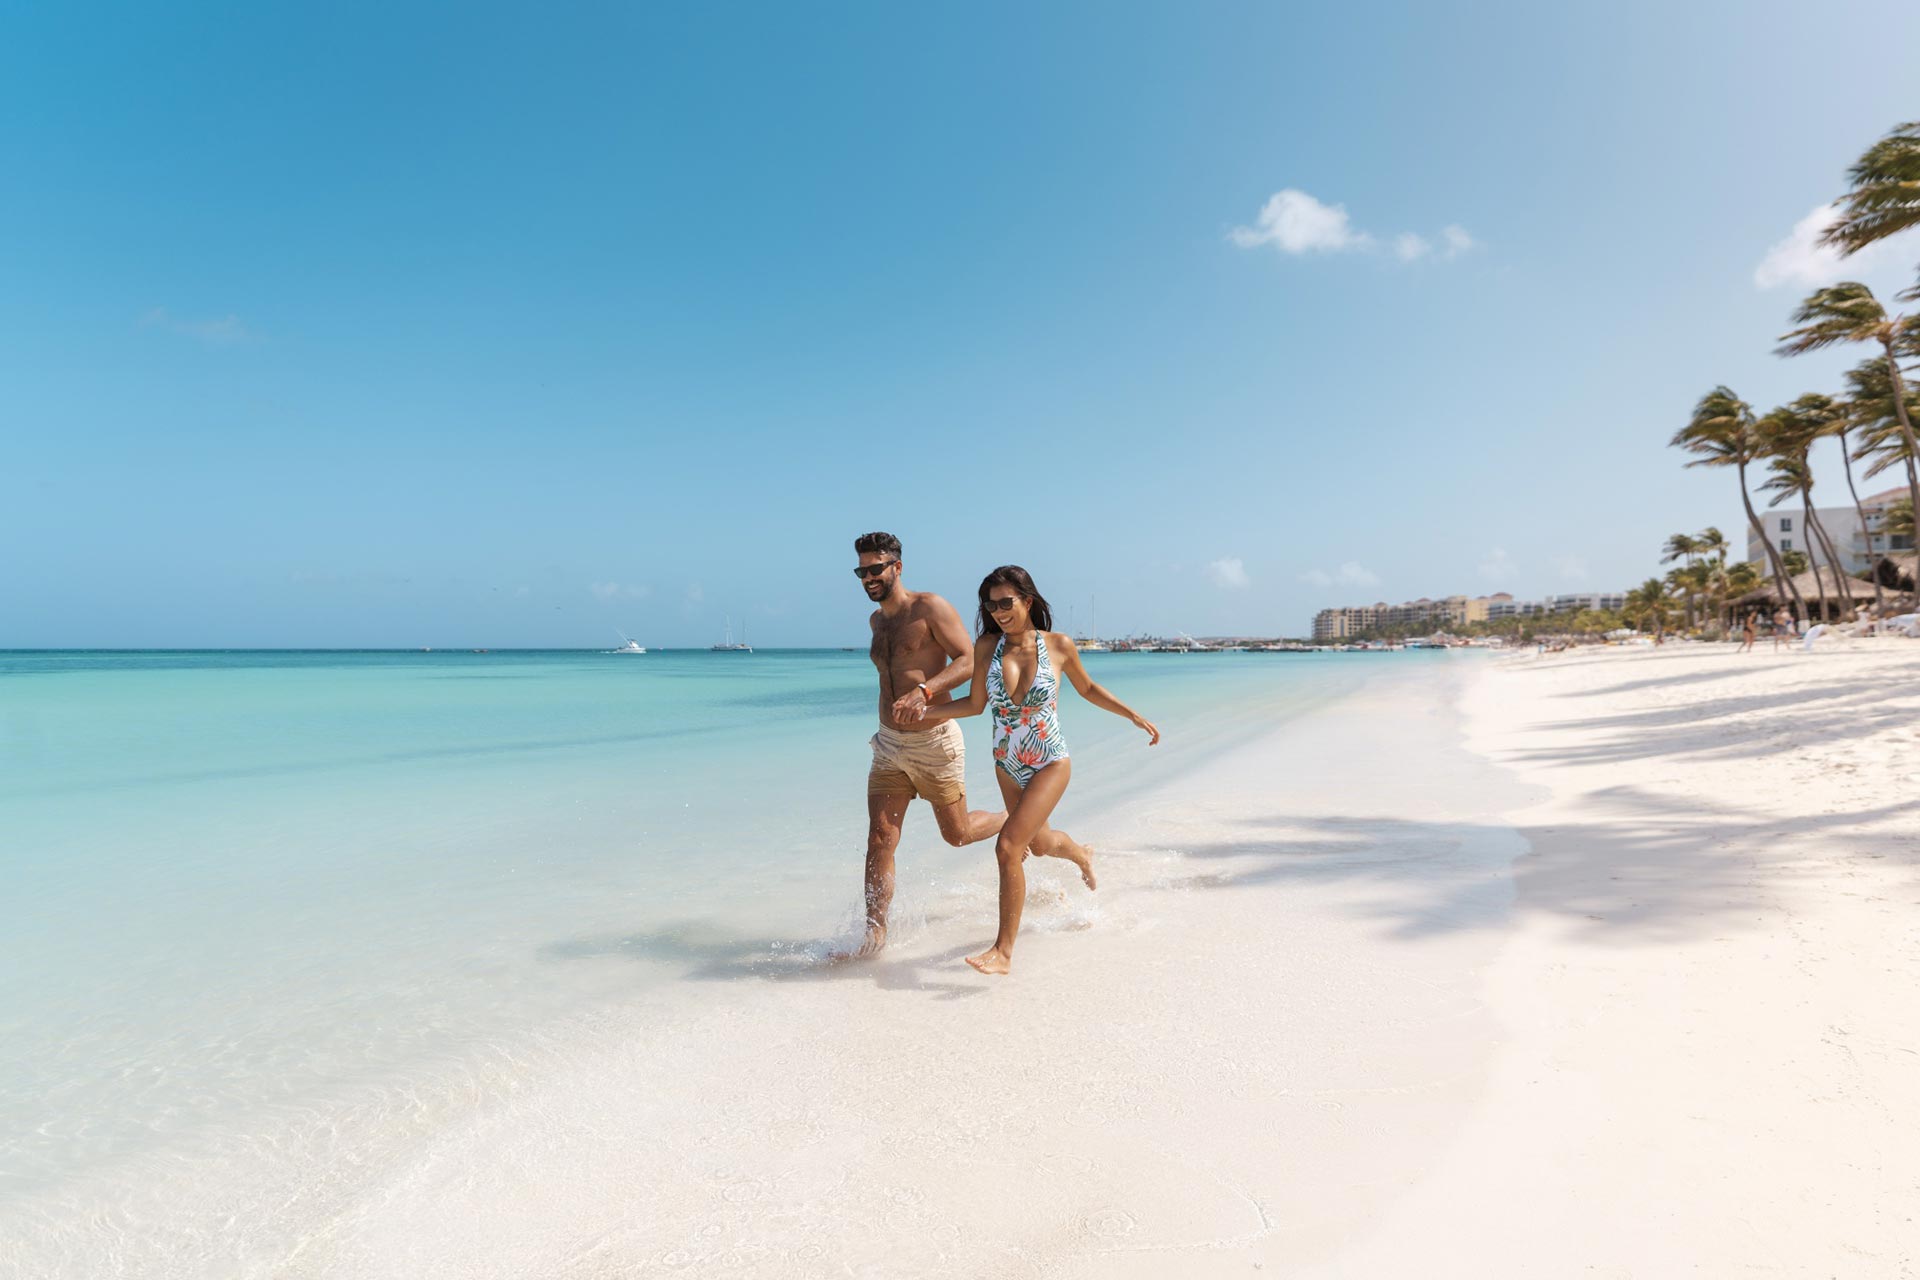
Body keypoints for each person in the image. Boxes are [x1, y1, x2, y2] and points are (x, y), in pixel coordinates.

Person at [909, 566, 1159, 975]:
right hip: (1006, 764)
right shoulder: (987, 646)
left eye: (1006, 602)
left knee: (1008, 847)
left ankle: (1004, 952)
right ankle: (1081, 853)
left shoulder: (1058, 645)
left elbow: (1088, 688)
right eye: (990, 605)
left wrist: (1132, 715)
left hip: (1049, 761)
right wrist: (926, 714)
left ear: (1027, 600)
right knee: (1039, 845)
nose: (998, 612)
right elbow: (974, 705)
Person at [842, 532, 1010, 960]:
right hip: (888, 744)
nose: (868, 577)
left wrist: (926, 693)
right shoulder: (876, 622)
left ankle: (1015, 819)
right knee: (880, 838)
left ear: (897, 567)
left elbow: (969, 659)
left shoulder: (929, 607)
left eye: (876, 568)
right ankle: (874, 936)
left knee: (958, 835)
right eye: (862, 571)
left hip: (934, 741)